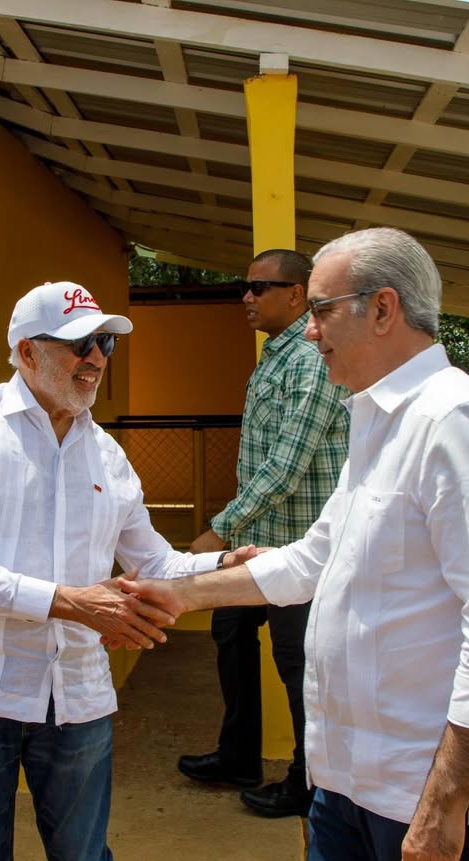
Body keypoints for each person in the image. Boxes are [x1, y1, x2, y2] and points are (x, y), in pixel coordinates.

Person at [121, 228, 469, 861]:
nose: (307, 329)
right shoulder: (377, 420)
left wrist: (444, 804)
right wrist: (176, 592)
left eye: (321, 310)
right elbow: (311, 561)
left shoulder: (456, 424)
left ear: (382, 309)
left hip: (422, 793)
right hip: (346, 783)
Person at [0, 280, 254, 861]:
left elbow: (151, 561)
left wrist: (226, 567)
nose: (96, 358)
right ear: (25, 353)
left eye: (105, 344)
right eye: (79, 345)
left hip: (76, 697)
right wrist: (71, 601)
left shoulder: (108, 456)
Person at [178, 249, 348, 818]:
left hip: (299, 548)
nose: (246, 298)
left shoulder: (309, 360)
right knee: (229, 632)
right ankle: (238, 754)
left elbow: (286, 463)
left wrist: (217, 530)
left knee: (298, 664)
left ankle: (308, 781)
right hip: (256, 540)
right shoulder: (277, 356)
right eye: (244, 287)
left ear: (296, 294)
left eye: (258, 287)